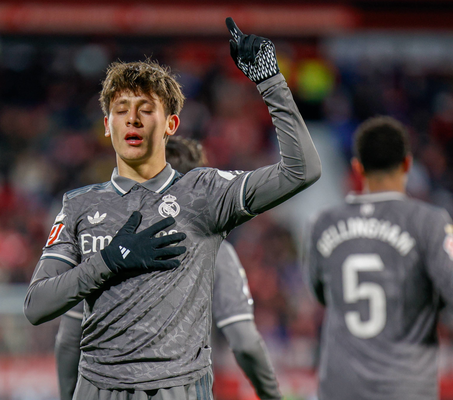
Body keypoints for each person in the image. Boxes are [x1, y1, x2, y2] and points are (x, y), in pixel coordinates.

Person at [24, 17, 321, 400]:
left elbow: (301, 170)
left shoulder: (204, 193)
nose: (132, 118)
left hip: (177, 389)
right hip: (97, 390)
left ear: (171, 124)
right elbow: (36, 306)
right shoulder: (79, 204)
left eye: (146, 109)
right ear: (107, 124)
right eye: (121, 109)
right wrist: (108, 262)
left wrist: (270, 82)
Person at [54, 136, 283, 400]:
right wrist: (272, 396)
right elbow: (244, 342)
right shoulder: (216, 253)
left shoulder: (103, 245)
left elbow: (68, 340)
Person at [301, 116, 453, 400]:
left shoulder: (322, 223)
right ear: (407, 164)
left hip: (340, 389)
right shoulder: (429, 222)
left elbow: (321, 294)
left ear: (358, 168)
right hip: (405, 388)